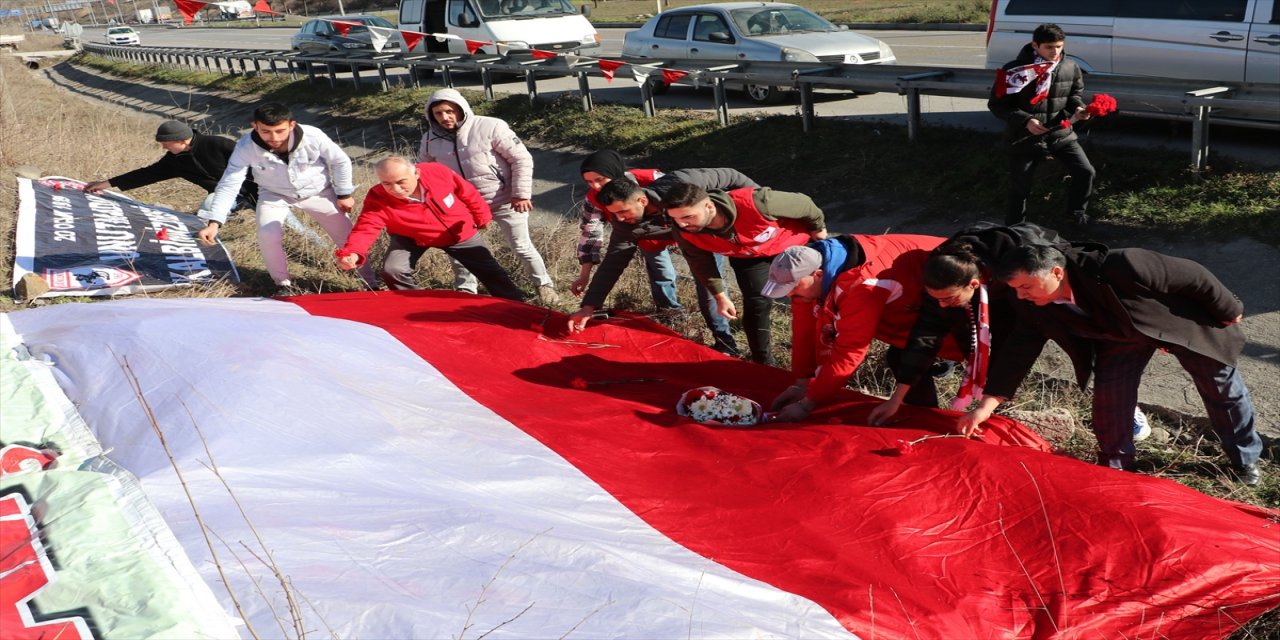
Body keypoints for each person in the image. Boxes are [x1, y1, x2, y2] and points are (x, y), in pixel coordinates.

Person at [961, 243, 1263, 485]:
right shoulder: (1033, 304)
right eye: (1014, 289)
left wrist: (1229, 308)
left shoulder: (1120, 265)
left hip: (1179, 326)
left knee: (1221, 388)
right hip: (1119, 335)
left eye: (1025, 286)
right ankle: (1116, 465)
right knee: (1110, 395)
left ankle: (1244, 460)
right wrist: (986, 406)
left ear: (1055, 272)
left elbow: (1193, 276)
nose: (1020, 295)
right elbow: (1019, 351)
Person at [763, 235, 966, 422]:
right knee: (901, 356)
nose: (789, 295)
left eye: (793, 289)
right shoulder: (808, 274)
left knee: (921, 354)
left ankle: (933, 420)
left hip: (954, 296)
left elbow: (849, 350)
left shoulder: (863, 286)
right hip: (910, 304)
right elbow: (804, 328)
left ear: (818, 274)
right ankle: (918, 413)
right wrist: (801, 383)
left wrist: (808, 404)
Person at [566, 169, 760, 356]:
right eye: (615, 214)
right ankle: (727, 344)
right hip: (687, 242)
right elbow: (612, 263)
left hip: (707, 238)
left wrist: (759, 204)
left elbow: (731, 175)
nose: (620, 218)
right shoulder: (626, 225)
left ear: (642, 200)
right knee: (711, 293)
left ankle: (731, 342)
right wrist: (589, 306)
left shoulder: (681, 182)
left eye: (623, 211)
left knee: (715, 292)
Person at [199, 102, 375, 292]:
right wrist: (215, 221)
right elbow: (230, 182)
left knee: (348, 237)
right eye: (265, 131)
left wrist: (344, 193)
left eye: (280, 131)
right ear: (254, 126)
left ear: (292, 125)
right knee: (267, 234)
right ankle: (282, 284)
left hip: (319, 192)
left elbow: (340, 161)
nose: (274, 137)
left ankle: (370, 283)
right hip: (274, 194)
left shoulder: (313, 136)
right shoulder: (245, 146)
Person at [663, 182, 827, 365]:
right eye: (675, 219)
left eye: (688, 216)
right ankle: (763, 362)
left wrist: (818, 229)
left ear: (709, 206)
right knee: (757, 302)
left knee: (809, 298)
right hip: (748, 257)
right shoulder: (684, 231)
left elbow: (805, 204)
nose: (682, 223)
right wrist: (720, 297)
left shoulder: (759, 203)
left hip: (792, 249)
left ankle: (821, 356)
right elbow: (700, 263)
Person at [418, 89, 557, 304]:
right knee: (463, 249)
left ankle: (544, 285)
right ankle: (466, 290)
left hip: (504, 199)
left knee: (521, 246)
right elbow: (425, 172)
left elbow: (521, 159)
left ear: (461, 109)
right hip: (462, 205)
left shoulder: (491, 126)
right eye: (438, 113)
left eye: (449, 111)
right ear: (431, 115)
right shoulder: (429, 139)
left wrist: (520, 194)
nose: (445, 117)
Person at [335, 157, 525, 301]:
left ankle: (516, 306)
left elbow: (467, 192)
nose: (395, 189)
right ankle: (415, 304)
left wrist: (481, 216)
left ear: (416, 173)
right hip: (410, 236)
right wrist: (353, 252)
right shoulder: (377, 197)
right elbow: (366, 226)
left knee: (490, 271)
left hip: (458, 232)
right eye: (386, 183)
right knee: (393, 269)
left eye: (401, 182)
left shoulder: (437, 172)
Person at [988, 23, 1096, 227]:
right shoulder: (1014, 69)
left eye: (1059, 46)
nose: (1055, 52)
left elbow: (1073, 95)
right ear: (1035, 45)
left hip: (1060, 134)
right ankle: (1014, 229)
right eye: (1049, 47)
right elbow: (997, 105)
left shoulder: (1070, 67)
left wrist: (1079, 110)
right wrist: (1026, 120)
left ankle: (1075, 216)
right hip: (1024, 137)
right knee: (1020, 188)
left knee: (1086, 171)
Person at [85, 120, 257, 236]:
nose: (163, 147)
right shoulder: (174, 161)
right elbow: (145, 175)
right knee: (207, 207)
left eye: (166, 144)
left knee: (279, 218)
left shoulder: (218, 144)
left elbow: (254, 164)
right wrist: (106, 184)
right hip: (225, 196)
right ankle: (207, 238)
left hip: (258, 189)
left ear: (182, 141)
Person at [573, 149, 680, 312]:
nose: (595, 186)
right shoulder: (594, 198)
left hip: (684, 228)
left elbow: (689, 196)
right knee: (663, 273)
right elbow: (590, 232)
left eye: (600, 179)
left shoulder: (651, 180)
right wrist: (584, 275)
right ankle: (669, 311)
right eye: (589, 181)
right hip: (643, 237)